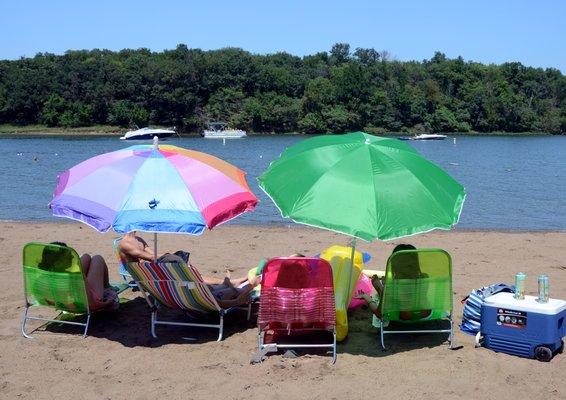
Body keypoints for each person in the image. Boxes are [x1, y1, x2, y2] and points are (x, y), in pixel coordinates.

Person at [117, 231, 259, 308]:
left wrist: (168, 254)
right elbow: (145, 256)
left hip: (155, 273)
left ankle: (230, 284)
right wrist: (169, 257)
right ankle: (235, 287)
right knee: (187, 272)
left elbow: (152, 254)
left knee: (188, 272)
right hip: (149, 278)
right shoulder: (124, 244)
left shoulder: (139, 239)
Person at [357, 244, 431, 320]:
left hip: (402, 320)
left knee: (388, 296)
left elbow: (379, 314)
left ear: (394, 264)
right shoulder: (425, 278)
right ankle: (380, 289)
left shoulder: (392, 286)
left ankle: (379, 288)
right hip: (426, 316)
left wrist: (367, 297)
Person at [40, 242, 118, 311]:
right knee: (98, 259)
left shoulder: (41, 278)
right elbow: (90, 303)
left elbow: (49, 300)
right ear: (58, 263)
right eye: (68, 256)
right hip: (86, 302)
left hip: (69, 298)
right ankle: (107, 286)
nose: (72, 257)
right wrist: (106, 303)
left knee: (86, 257)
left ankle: (105, 285)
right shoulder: (71, 280)